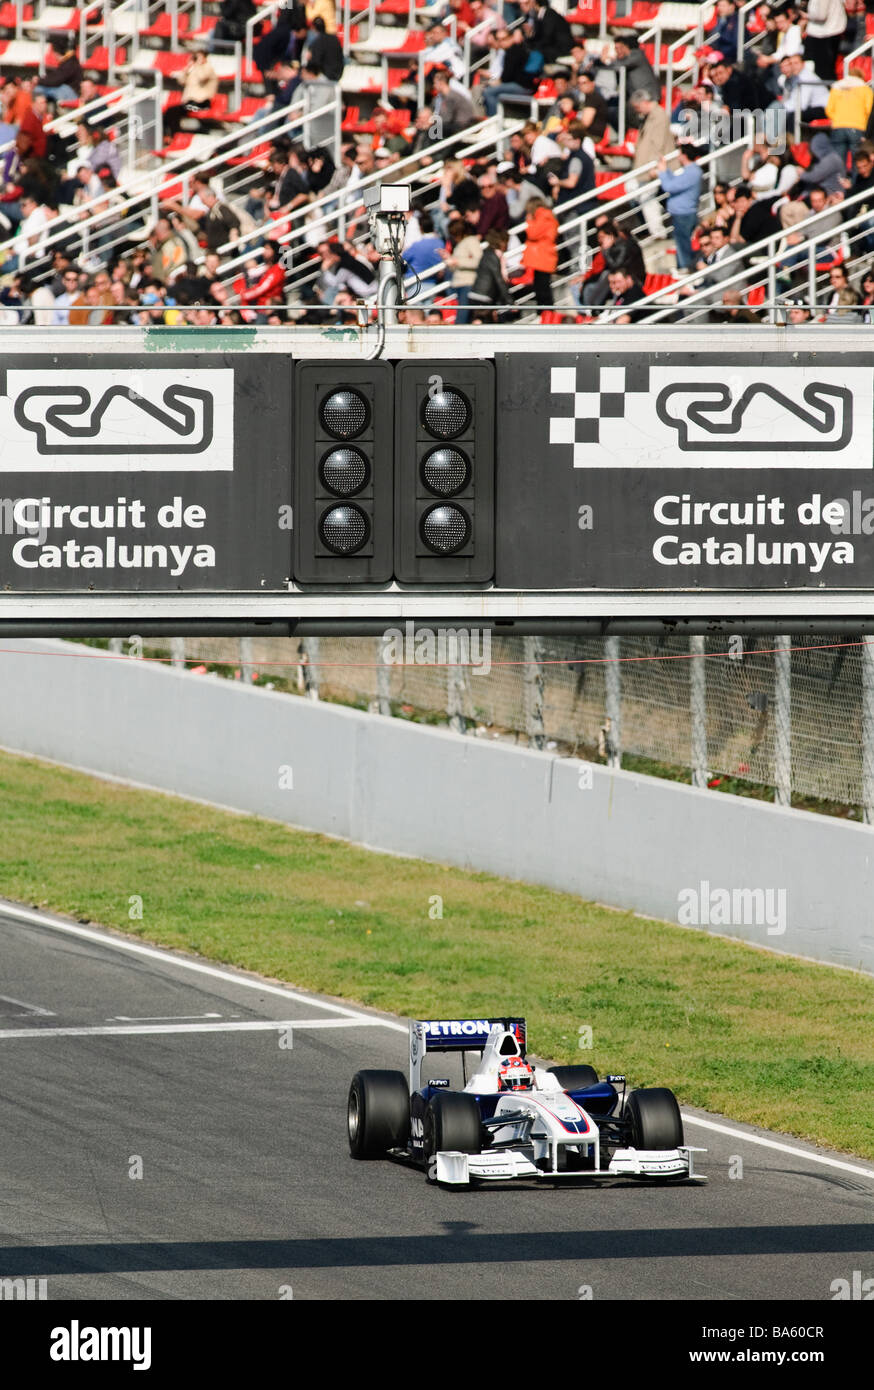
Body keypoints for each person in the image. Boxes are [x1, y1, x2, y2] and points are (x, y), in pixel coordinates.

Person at [627, 90, 674, 239]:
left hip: (654, 167)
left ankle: (658, 232)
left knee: (647, 198)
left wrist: (654, 167)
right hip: (643, 168)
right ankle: (653, 227)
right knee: (632, 189)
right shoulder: (648, 117)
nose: (637, 111)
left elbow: (657, 145)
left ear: (644, 102)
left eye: (637, 107)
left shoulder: (659, 116)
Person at [657, 143, 702, 272]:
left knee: (683, 243)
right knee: (681, 241)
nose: (678, 157)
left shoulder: (692, 171)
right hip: (682, 213)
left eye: (680, 153)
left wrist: (663, 172)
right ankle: (683, 266)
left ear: (684, 155)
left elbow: (670, 187)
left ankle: (685, 267)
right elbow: (675, 182)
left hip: (684, 214)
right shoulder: (690, 171)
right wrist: (665, 171)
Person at [826, 64, 873, 168]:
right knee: (858, 161)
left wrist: (838, 119)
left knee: (838, 162)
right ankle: (856, 183)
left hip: (838, 127)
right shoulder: (865, 89)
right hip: (857, 127)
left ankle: (838, 183)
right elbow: (869, 110)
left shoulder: (837, 87)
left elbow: (829, 110)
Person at [164, 51, 219, 136]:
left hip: (203, 102)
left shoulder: (208, 68)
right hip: (190, 102)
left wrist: (197, 65)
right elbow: (181, 81)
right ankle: (171, 135)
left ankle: (175, 135)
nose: (196, 59)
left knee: (175, 111)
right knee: (171, 112)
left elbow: (202, 77)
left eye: (198, 57)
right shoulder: (193, 70)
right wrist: (187, 69)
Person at [468, 227, 514, 320]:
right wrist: (510, 301)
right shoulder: (493, 256)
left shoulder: (489, 254)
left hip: (482, 295)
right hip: (482, 296)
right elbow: (499, 279)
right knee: (482, 323)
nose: (507, 245)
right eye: (506, 241)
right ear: (501, 241)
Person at [521, 195, 558, 306]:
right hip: (541, 259)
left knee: (543, 292)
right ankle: (545, 316)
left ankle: (547, 317)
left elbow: (533, 233)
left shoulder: (543, 215)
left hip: (543, 259)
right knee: (541, 290)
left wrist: (529, 221)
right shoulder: (545, 215)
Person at [803, 0, 847, 81]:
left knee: (824, 72)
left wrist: (806, 15)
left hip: (825, 35)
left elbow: (821, 15)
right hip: (826, 34)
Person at [431, 70, 476, 135]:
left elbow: (447, 117)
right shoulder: (442, 97)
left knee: (434, 130)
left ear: (442, 83)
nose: (434, 86)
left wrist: (433, 122)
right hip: (453, 124)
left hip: (461, 124)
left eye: (435, 83)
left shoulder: (452, 96)